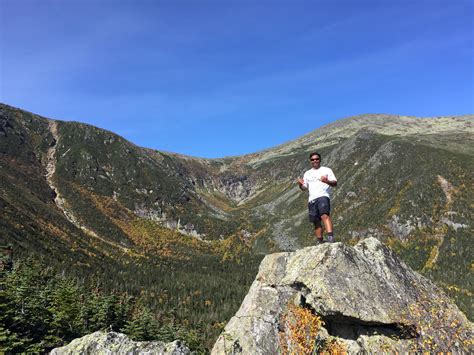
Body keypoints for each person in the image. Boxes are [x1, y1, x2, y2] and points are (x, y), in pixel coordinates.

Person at [297, 152, 337, 243]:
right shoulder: (307, 173)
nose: (315, 161)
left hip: (323, 196)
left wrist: (327, 181)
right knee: (316, 221)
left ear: (320, 160)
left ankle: (330, 237)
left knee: (324, 215)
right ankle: (320, 241)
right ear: (310, 161)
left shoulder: (327, 170)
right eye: (312, 159)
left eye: (316, 159)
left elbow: (335, 183)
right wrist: (300, 185)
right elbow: (304, 188)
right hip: (312, 199)